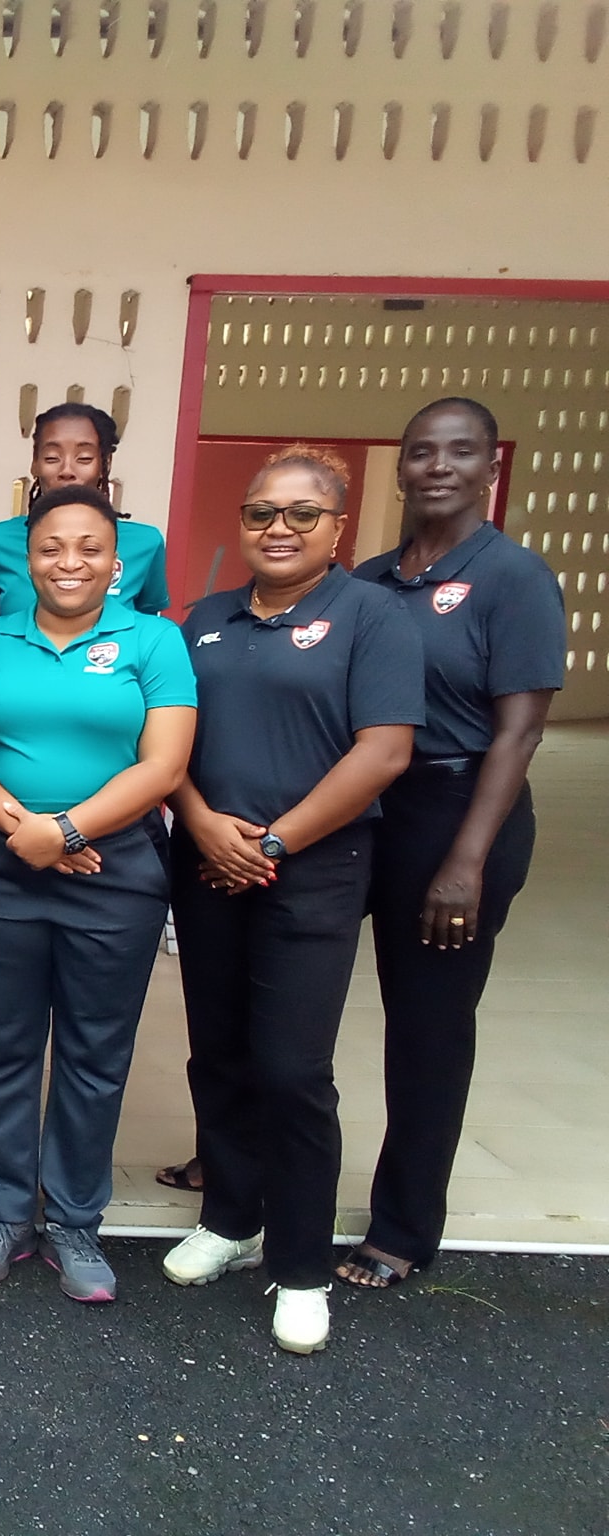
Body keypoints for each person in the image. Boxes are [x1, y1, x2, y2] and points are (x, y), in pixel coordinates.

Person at [161, 444, 422, 1355]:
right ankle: (232, 1220)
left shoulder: (372, 617)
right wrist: (203, 824)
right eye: (262, 513)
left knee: (292, 1069)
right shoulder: (206, 619)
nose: (279, 528)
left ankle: (302, 1264)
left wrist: (272, 843)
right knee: (219, 1053)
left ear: (336, 527)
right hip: (208, 863)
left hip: (311, 871)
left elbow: (383, 752)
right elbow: (168, 742)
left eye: (302, 514)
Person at [0, 486, 197, 1303]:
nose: (70, 563)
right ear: (26, 559)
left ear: (116, 563)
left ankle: (75, 1221)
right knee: (3, 1046)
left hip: (115, 873)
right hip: (3, 862)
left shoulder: (154, 640)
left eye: (90, 548)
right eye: (52, 547)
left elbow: (164, 764)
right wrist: (26, 830)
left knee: (94, 1053)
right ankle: (4, 1214)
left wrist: (69, 831)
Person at [339, 399, 565, 1291]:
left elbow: (519, 731)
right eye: (422, 452)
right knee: (289, 997)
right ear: (400, 467)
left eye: (460, 452)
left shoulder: (514, 577)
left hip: (455, 813)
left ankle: (402, 1226)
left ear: (489, 470)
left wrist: (466, 861)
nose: (439, 466)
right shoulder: (368, 579)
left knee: (427, 1028)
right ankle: (239, 1163)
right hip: (363, 809)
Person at [0, 403, 171, 622]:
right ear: (35, 464)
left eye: (84, 458)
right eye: (52, 458)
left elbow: (146, 627)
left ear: (105, 463)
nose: (67, 471)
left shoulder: (146, 543)